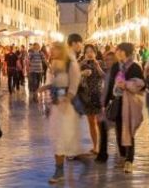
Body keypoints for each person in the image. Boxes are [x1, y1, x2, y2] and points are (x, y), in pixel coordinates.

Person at [38, 41, 83, 183]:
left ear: (60, 50)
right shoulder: (56, 65)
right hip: (57, 108)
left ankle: (59, 172)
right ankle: (59, 171)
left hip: (67, 109)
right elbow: (57, 83)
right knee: (57, 139)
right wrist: (45, 87)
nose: (51, 52)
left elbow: (74, 85)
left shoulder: (71, 65)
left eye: (54, 49)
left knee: (62, 139)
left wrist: (67, 98)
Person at [103, 42, 145, 174]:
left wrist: (126, 84)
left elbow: (142, 85)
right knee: (119, 129)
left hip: (130, 103)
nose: (116, 52)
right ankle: (122, 155)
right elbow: (110, 84)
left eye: (118, 50)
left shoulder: (135, 67)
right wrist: (105, 102)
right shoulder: (116, 66)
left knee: (129, 130)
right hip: (118, 101)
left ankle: (129, 160)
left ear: (123, 52)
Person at [79, 44, 105, 154]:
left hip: (98, 95)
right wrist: (82, 71)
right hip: (87, 96)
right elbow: (73, 75)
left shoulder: (100, 63)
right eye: (87, 52)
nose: (89, 54)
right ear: (84, 54)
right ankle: (95, 147)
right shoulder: (82, 64)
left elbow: (104, 76)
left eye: (91, 51)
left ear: (95, 53)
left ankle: (102, 147)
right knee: (91, 122)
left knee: (99, 122)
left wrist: (97, 66)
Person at [95, 50, 118, 163]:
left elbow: (112, 90)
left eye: (111, 60)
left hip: (113, 105)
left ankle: (105, 154)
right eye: (107, 60)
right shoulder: (110, 72)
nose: (108, 62)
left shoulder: (117, 72)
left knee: (115, 130)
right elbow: (104, 78)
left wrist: (104, 104)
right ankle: (103, 154)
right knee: (103, 129)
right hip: (107, 105)